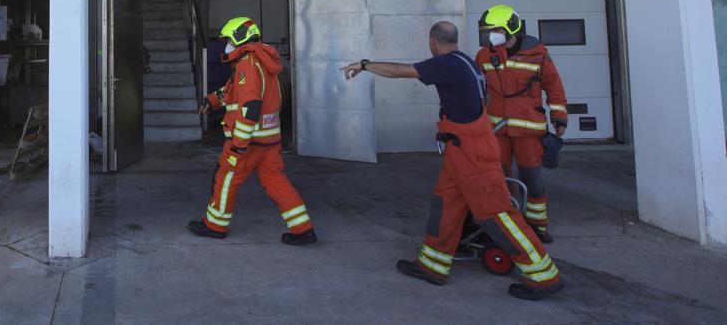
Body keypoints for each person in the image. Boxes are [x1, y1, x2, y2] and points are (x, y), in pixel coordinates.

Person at [342, 21, 563, 300]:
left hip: (473, 155)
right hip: (460, 151)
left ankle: (543, 275)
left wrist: (364, 65)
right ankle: (433, 265)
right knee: (445, 205)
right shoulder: (465, 61)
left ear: (433, 41)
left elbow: (401, 71)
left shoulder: (449, 64)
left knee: (498, 214)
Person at [187, 17, 317, 246]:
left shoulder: (247, 63)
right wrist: (211, 101)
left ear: (239, 37)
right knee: (276, 181)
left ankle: (215, 226)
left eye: (228, 39)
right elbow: (234, 91)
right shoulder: (264, 61)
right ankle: (303, 229)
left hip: (249, 141)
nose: (226, 44)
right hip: (269, 139)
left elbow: (250, 105)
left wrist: (239, 143)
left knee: (226, 178)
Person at [475, 4, 568, 243]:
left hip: (529, 130)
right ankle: (508, 221)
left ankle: (537, 226)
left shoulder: (537, 53)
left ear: (510, 28)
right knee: (499, 177)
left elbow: (554, 86)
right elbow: (477, 90)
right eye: (488, 30)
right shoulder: (484, 55)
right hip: (497, 130)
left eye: (495, 29)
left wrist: (559, 117)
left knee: (532, 178)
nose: (490, 34)